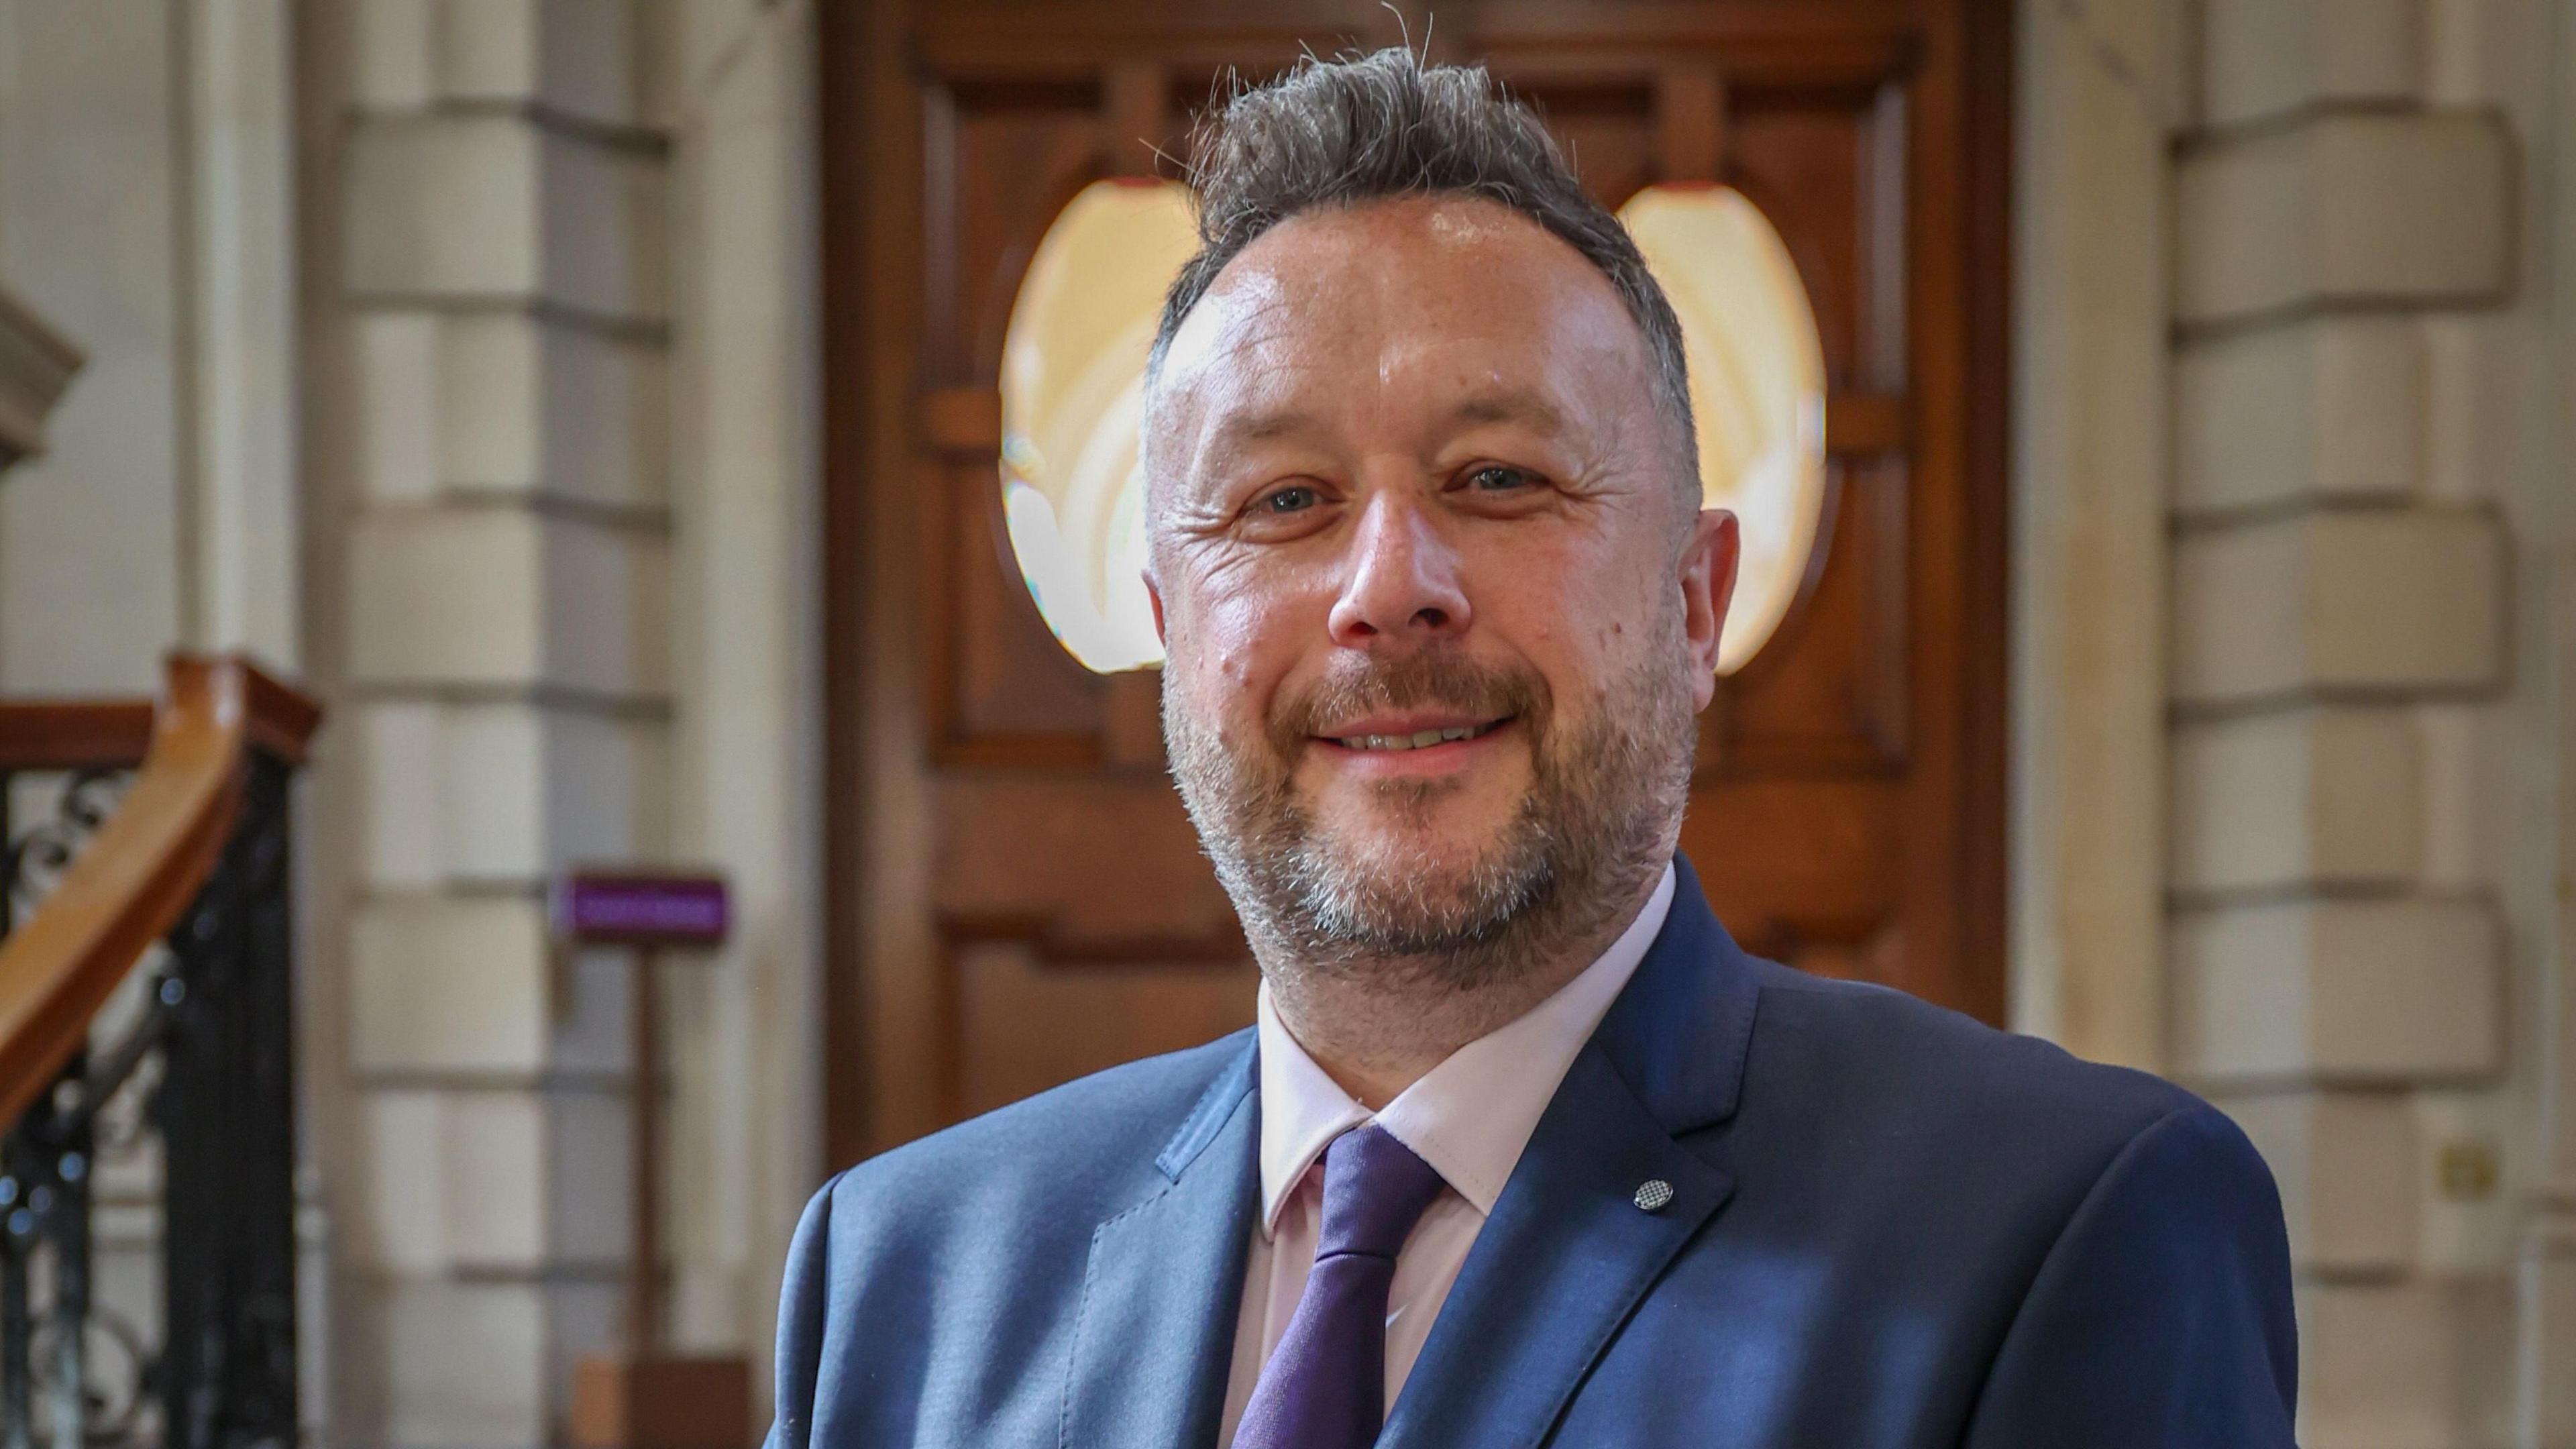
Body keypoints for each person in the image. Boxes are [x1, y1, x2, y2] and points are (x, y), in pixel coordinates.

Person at [767, 48, 2296, 1449]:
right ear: (1173, 637)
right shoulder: (902, 1276)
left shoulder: (2057, 1234)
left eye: (1498, 477)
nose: (1387, 589)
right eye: (1285, 502)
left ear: (1696, 606)